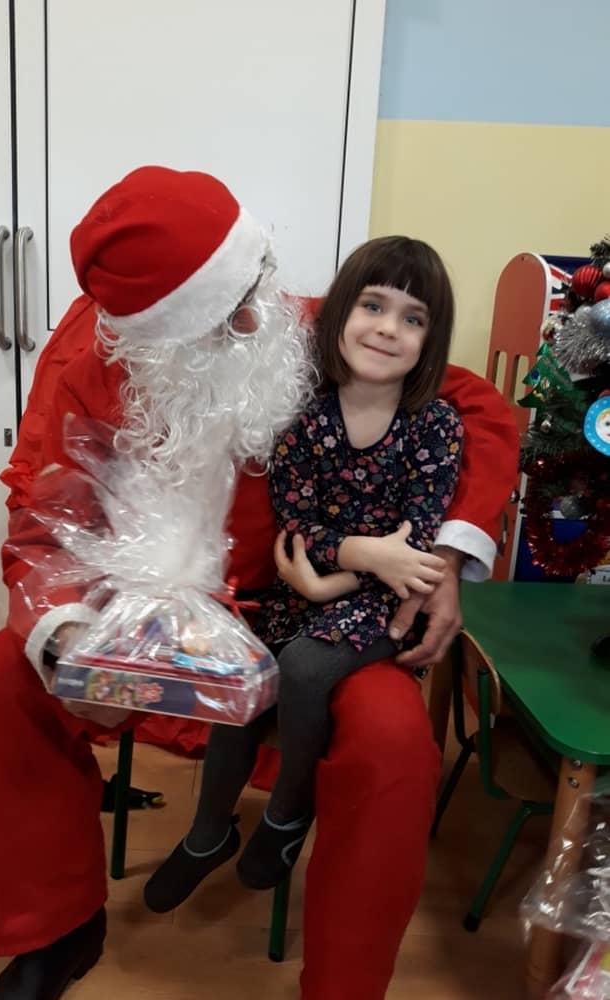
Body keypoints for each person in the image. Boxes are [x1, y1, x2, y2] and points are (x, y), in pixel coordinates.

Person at [0, 166, 519, 1000]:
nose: (259, 318)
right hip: (143, 620)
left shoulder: (304, 327)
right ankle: (56, 933)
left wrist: (443, 557)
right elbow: (42, 520)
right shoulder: (89, 358)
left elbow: (475, 407)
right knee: (4, 679)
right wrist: (75, 640)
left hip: (310, 611)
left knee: (395, 741)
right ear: (157, 335)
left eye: (254, 286)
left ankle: (342, 986)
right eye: (224, 317)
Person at [144, 236, 464, 906]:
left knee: (306, 668)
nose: (388, 328)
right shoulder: (305, 416)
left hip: (382, 606)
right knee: (243, 673)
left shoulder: (433, 426)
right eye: (373, 305)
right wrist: (350, 560)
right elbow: (297, 525)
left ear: (429, 340)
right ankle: (208, 832)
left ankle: (289, 813)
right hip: (305, 594)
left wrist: (337, 575)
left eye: (412, 318)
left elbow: (413, 548)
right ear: (341, 311)